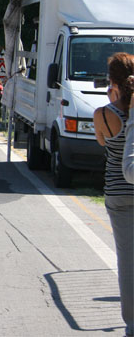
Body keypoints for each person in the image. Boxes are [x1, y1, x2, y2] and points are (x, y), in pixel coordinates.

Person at [92, 53, 134, 337]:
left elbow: (102, 142)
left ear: (111, 81)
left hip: (118, 195)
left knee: (127, 261)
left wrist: (113, 98)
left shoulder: (104, 114)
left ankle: (132, 323)